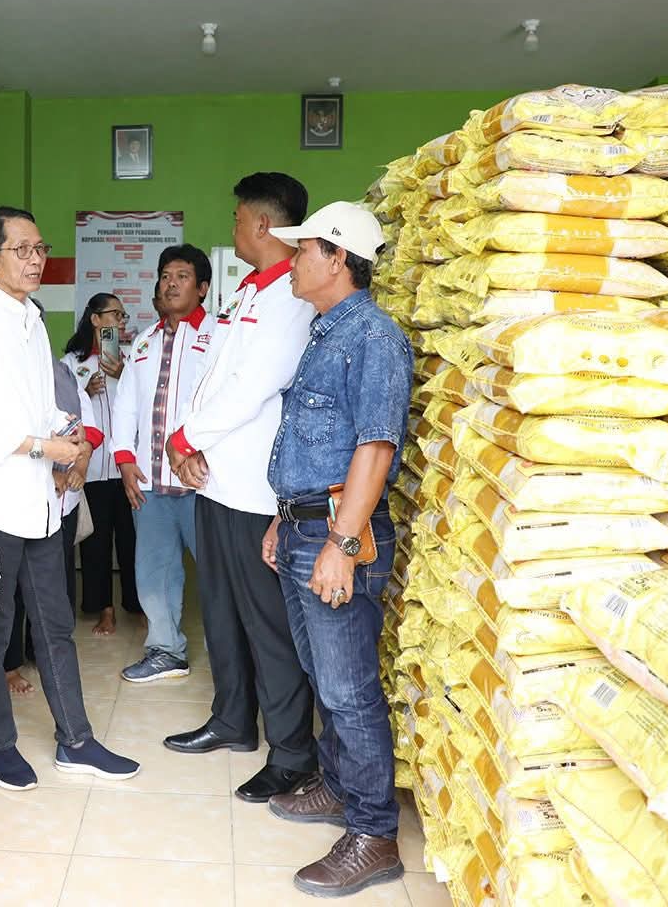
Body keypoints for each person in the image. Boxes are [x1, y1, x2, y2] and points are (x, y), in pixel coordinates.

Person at [0, 206, 140, 790]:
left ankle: (76, 740)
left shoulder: (32, 320)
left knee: (55, 624)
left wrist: (66, 430)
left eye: (39, 248)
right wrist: (42, 446)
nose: (35, 260)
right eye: (21, 250)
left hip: (40, 505)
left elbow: (38, 405)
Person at [261, 201, 412, 897]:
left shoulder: (373, 337)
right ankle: (339, 785)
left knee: (350, 693)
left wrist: (343, 544)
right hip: (303, 526)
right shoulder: (326, 333)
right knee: (326, 677)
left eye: (301, 251)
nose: (291, 262)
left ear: (337, 258)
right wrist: (284, 519)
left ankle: (374, 834)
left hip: (336, 534)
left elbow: (374, 448)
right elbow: (312, 443)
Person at [161, 173, 318, 803]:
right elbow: (213, 381)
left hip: (255, 492)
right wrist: (188, 443)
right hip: (216, 483)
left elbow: (253, 387)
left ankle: (292, 753)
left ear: (262, 224)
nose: (232, 228)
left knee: (268, 626)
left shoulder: (291, 298)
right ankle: (231, 721)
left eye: (236, 218)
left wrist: (185, 437)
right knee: (221, 613)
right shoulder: (248, 290)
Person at [108, 244, 214, 683]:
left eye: (182, 276)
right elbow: (126, 404)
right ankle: (167, 651)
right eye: (165, 276)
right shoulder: (145, 342)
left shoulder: (219, 337)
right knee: (154, 571)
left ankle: (235, 657)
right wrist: (124, 459)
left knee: (220, 575)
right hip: (150, 482)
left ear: (202, 288)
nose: (171, 284)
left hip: (204, 485)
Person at [6, 303, 102, 695]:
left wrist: (80, 464)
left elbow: (86, 429)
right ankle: (10, 663)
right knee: (13, 588)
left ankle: (39, 651)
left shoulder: (61, 373)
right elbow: (7, 440)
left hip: (63, 503)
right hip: (21, 499)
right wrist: (54, 470)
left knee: (54, 585)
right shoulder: (8, 375)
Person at [60, 293, 139, 636]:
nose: (120, 322)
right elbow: (61, 413)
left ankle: (137, 604)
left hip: (127, 467)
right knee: (97, 544)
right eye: (115, 315)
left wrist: (124, 374)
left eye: (123, 317)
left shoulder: (132, 358)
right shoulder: (70, 363)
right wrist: (86, 392)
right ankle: (104, 609)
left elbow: (146, 402)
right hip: (89, 470)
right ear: (95, 319)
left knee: (132, 540)